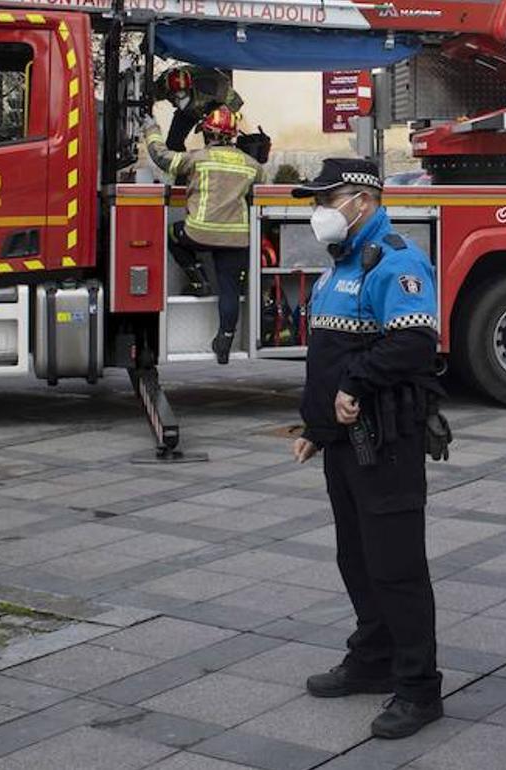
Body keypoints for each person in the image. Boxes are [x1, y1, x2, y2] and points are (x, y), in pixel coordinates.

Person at [290, 158, 447, 740]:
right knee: (355, 557)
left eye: (325, 199)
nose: (319, 211)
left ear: (360, 198)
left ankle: (418, 687)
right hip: (346, 442)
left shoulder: (396, 259)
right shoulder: (342, 264)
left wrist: (355, 387)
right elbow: (331, 356)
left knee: (396, 565)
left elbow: (413, 343)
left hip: (386, 439)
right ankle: (374, 658)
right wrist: (315, 427)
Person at [144, 106, 270, 364]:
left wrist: (151, 129)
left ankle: (198, 279)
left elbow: (162, 157)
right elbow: (261, 192)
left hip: (198, 233)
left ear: (208, 134)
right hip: (237, 238)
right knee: (230, 289)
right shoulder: (252, 166)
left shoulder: (197, 158)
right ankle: (224, 340)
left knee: (173, 234)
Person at [154, 66, 245, 152]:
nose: (178, 100)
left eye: (182, 95)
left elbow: (236, 102)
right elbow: (150, 95)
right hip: (188, 112)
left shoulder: (215, 88)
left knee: (216, 141)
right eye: (174, 96)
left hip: (212, 110)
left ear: (190, 87)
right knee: (173, 143)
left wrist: (227, 116)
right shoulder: (164, 85)